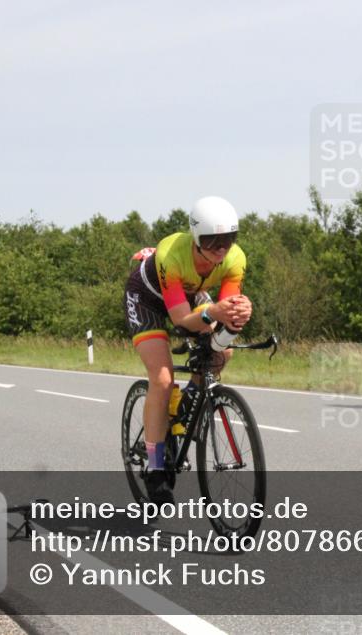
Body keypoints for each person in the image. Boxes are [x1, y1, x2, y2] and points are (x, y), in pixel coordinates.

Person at [123, 196, 252, 504]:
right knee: (163, 379)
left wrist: (237, 314)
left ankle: (189, 401)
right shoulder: (172, 252)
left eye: (229, 239)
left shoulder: (235, 258)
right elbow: (181, 319)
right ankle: (155, 467)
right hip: (147, 300)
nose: (221, 248)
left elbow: (226, 310)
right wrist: (213, 314)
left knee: (223, 353)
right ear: (195, 237)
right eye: (212, 241)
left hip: (189, 293)